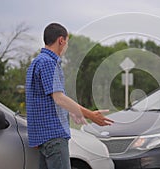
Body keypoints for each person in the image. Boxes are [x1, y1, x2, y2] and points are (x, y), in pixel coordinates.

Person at [25, 23, 114, 169]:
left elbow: (42, 100)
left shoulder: (36, 62)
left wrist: (72, 111)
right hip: (53, 136)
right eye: (67, 41)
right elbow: (59, 98)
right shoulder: (49, 63)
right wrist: (91, 114)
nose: (67, 46)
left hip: (43, 137)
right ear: (61, 40)